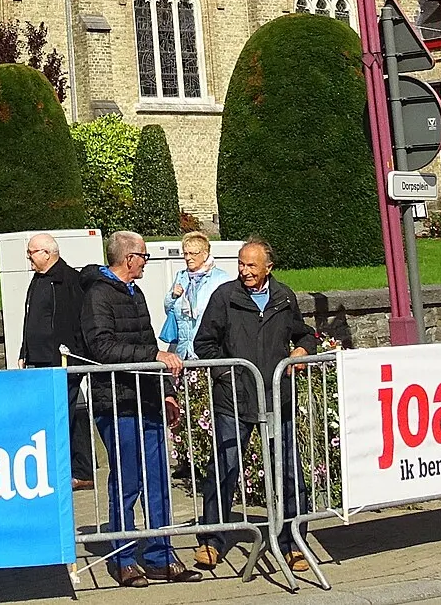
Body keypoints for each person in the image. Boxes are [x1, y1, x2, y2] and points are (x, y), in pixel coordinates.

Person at [192, 239, 320, 576]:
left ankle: (294, 542)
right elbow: (204, 343)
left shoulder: (283, 297)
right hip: (234, 399)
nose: (245, 271)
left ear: (268, 267)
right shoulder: (225, 297)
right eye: (241, 264)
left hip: (277, 397)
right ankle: (212, 541)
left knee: (289, 471)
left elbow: (304, 334)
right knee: (225, 468)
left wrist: (303, 350)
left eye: (251, 265)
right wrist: (227, 373)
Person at [79, 230, 197, 587]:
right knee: (127, 481)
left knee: (158, 480)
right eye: (144, 256)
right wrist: (153, 357)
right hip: (116, 402)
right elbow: (104, 349)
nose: (146, 262)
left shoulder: (137, 293)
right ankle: (123, 557)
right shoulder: (97, 295)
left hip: (147, 401)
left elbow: (148, 342)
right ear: (129, 259)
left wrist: (166, 391)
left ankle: (161, 555)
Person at [20, 232, 95, 490]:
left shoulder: (68, 280)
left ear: (47, 253)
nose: (28, 257)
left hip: (63, 362)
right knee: (60, 415)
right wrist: (24, 351)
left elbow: (76, 322)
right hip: (39, 361)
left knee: (63, 415)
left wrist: (73, 358)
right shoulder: (37, 280)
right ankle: (76, 469)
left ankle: (78, 470)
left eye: (31, 252)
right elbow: (30, 319)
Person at [160, 230, 234, 359]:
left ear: (205, 254)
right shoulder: (181, 276)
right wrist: (173, 296)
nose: (188, 258)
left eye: (193, 253)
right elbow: (168, 309)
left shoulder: (220, 278)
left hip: (206, 352)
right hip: (182, 351)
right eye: (185, 253)